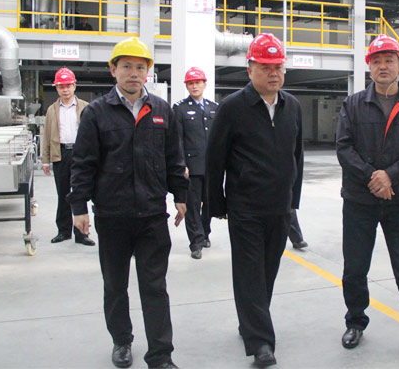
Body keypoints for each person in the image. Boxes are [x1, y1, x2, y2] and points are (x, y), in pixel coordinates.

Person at [67, 37, 188, 369]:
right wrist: (78, 207)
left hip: (152, 215)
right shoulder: (96, 113)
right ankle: (122, 340)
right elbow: (83, 163)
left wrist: (181, 196)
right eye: (126, 66)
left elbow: (174, 159)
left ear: (148, 71)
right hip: (112, 215)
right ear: (113, 70)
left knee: (154, 286)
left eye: (140, 67)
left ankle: (161, 355)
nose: (134, 73)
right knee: (115, 285)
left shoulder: (161, 110)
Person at [335, 34, 399, 366]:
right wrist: (373, 177)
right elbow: (344, 148)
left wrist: (390, 176)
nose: (383, 66)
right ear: (369, 66)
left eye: (389, 60)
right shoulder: (353, 105)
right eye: (376, 61)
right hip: (359, 200)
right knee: (355, 267)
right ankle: (355, 321)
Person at [206, 33, 303, 368]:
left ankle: (251, 321)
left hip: (280, 206)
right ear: (250, 70)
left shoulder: (292, 106)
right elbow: (214, 158)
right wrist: (216, 205)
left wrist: (293, 199)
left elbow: (297, 156)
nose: (273, 73)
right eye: (265, 67)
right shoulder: (233, 107)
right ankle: (261, 342)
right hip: (245, 206)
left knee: (268, 271)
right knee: (249, 273)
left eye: (278, 67)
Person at [41, 67, 94, 246]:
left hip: (81, 154)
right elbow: (46, 136)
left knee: (80, 193)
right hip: (61, 154)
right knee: (63, 194)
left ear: (74, 86)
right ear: (56, 88)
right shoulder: (52, 110)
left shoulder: (86, 107)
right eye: (61, 86)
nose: (65, 89)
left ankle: (82, 234)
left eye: (68, 86)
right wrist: (45, 160)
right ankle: (63, 231)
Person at [174, 67, 218, 259]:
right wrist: (181, 163)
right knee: (192, 206)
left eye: (197, 82)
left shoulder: (214, 107)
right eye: (190, 83)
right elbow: (177, 139)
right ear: (187, 86)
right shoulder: (180, 108)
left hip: (211, 166)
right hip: (191, 167)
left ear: (204, 84)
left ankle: (205, 233)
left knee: (209, 204)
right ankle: (196, 242)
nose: (194, 86)